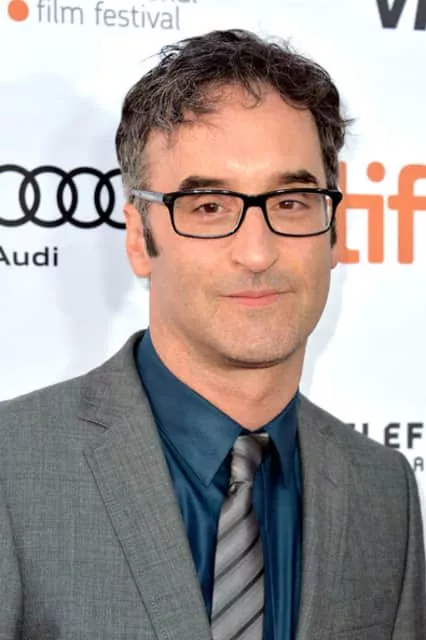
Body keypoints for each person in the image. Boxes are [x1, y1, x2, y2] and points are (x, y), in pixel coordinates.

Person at [0, 29, 424, 640]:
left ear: (335, 230)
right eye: (208, 207)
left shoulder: (383, 491)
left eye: (291, 201)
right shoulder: (13, 468)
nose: (257, 252)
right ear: (140, 239)